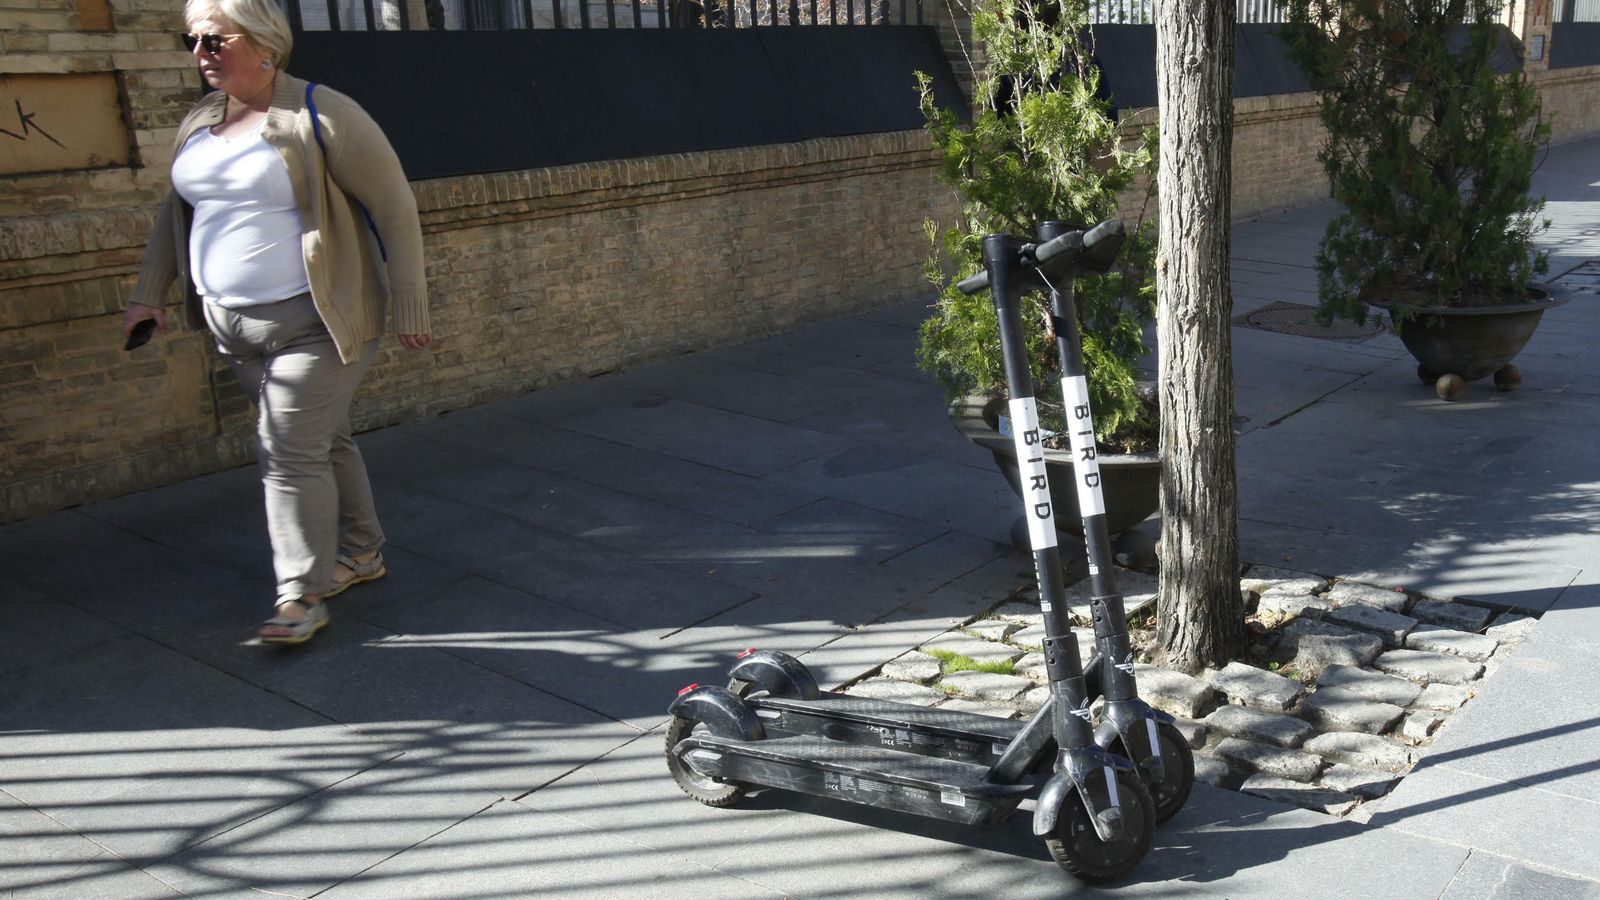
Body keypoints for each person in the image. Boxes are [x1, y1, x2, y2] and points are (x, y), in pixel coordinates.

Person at [123, 0, 431, 644]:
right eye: (193, 41)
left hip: (319, 319)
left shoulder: (321, 113)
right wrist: (150, 293)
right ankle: (363, 550)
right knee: (324, 439)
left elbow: (395, 207)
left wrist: (410, 302)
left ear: (264, 43)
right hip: (231, 324)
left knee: (286, 451)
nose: (199, 54)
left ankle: (301, 593)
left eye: (213, 40)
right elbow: (175, 215)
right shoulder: (201, 120)